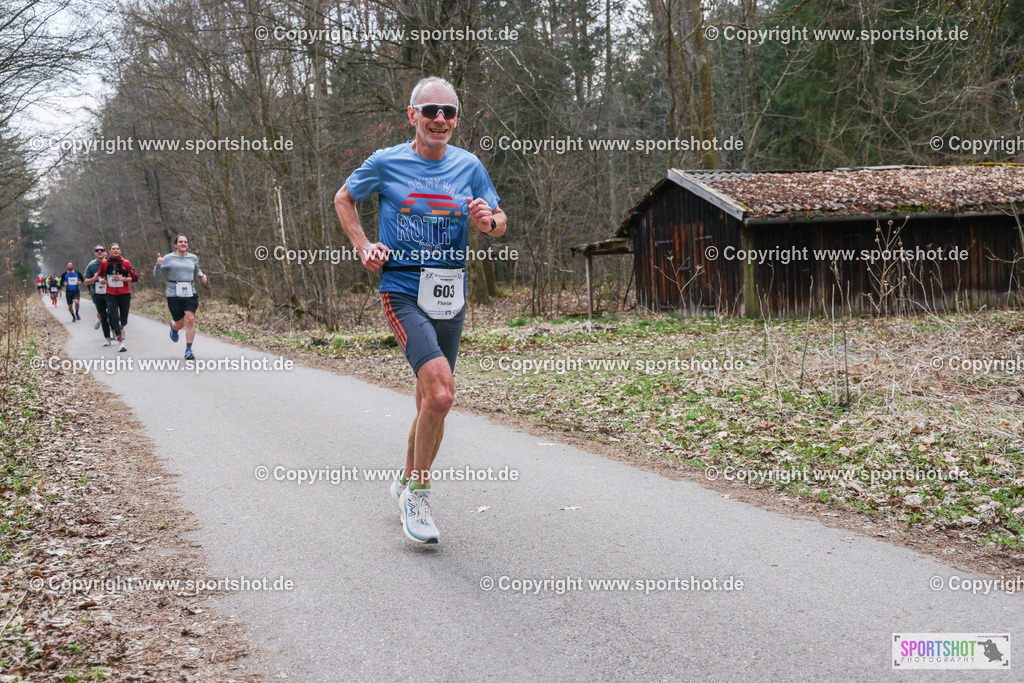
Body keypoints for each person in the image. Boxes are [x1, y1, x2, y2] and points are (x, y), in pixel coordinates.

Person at [334, 76, 506, 544]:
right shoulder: (387, 162)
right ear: (413, 116)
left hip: (450, 291)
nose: (440, 120)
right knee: (443, 394)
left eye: (448, 112)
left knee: (431, 400)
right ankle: (419, 495)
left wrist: (487, 223)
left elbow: (498, 218)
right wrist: (363, 245)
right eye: (430, 111)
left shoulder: (469, 165)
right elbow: (344, 198)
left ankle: (406, 478)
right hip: (403, 287)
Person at [153, 235, 207, 360]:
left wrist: (202, 275)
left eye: (185, 242)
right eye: (181, 242)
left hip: (189, 292)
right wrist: (158, 265)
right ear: (175, 245)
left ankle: (188, 350)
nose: (183, 243)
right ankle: (174, 326)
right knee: (180, 324)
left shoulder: (193, 258)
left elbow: (197, 270)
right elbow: (157, 276)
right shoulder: (168, 258)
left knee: (191, 319)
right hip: (174, 293)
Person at [97, 243, 138, 352]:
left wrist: (123, 279)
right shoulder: (104, 263)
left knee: (123, 320)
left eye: (117, 249)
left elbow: (135, 277)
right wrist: (101, 280)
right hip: (110, 294)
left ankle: (121, 326)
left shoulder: (126, 263)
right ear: (109, 251)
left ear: (120, 251)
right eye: (113, 249)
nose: (115, 250)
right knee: (114, 316)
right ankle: (121, 342)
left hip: (125, 293)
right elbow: (99, 275)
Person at [83, 245, 113, 345]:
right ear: (95, 253)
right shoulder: (91, 265)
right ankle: (107, 338)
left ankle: (114, 331)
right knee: (103, 316)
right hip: (97, 294)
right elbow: (86, 281)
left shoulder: (111, 262)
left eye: (101, 250)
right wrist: (94, 278)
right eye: (97, 250)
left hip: (111, 292)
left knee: (112, 313)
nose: (100, 252)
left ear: (105, 252)